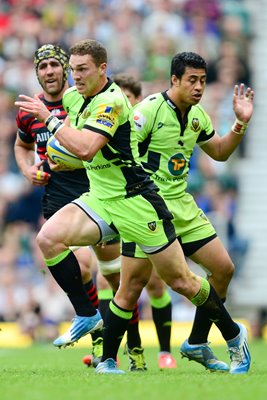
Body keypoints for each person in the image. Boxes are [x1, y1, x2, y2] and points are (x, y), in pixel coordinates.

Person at [15, 40, 252, 376]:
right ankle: (87, 315)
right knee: (48, 239)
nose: (75, 77)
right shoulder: (73, 97)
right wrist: (44, 152)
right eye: (73, 69)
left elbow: (85, 149)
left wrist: (52, 125)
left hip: (135, 201)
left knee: (181, 281)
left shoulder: (112, 101)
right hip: (100, 197)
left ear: (102, 69)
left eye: (82, 70)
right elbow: (52, 136)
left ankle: (233, 333)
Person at [121, 52, 254, 373]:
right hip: (148, 208)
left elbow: (220, 152)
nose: (198, 87)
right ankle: (109, 356)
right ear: (174, 80)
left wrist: (240, 122)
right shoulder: (149, 109)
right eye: (192, 80)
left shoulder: (198, 116)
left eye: (203, 81)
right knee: (131, 286)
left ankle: (196, 341)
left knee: (223, 269)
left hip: (182, 206)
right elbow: (125, 149)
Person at [14, 44, 103, 365]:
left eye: (54, 64)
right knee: (81, 268)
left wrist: (72, 157)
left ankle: (120, 343)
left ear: (66, 69)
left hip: (99, 192)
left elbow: (92, 147)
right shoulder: (27, 110)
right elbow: (22, 145)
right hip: (58, 197)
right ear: (37, 72)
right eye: (43, 66)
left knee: (113, 276)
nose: (49, 71)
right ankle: (95, 329)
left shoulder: (84, 103)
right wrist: (27, 169)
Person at [93, 72, 177, 369]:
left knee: (153, 284)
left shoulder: (143, 129)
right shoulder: (104, 129)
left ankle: (164, 352)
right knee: (111, 280)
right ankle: (116, 350)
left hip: (145, 207)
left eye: (127, 100)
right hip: (118, 208)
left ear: (136, 103)